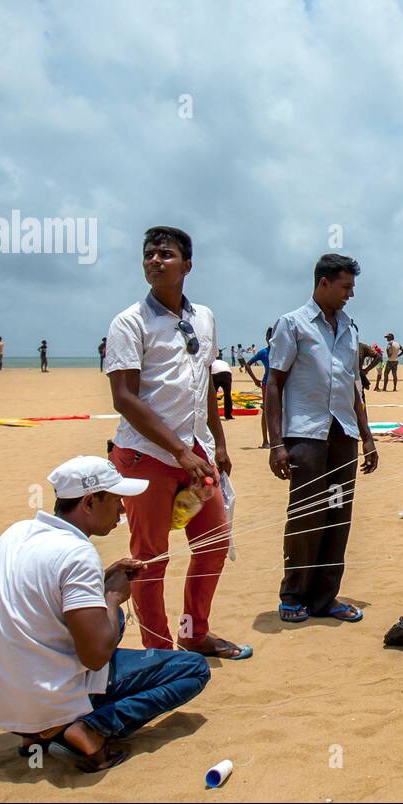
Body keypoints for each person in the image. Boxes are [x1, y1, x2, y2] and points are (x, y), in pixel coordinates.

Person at [0, 455, 211, 772]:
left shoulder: (16, 533)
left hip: (4, 704)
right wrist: (113, 596)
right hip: (50, 700)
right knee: (194, 669)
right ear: (89, 503)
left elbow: (44, 594)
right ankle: (89, 728)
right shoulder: (77, 553)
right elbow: (95, 657)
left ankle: (36, 733)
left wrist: (103, 578)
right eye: (115, 500)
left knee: (103, 619)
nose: (122, 510)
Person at [106, 225, 250, 660]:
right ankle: (158, 651)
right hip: (145, 456)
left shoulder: (203, 317)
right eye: (149, 254)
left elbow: (204, 383)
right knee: (150, 559)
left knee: (213, 544)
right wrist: (179, 452)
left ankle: (193, 633)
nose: (154, 260)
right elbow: (124, 397)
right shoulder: (130, 322)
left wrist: (217, 445)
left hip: (196, 453)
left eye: (165, 254)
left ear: (186, 265)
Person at [265, 253, 378, 623]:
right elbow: (273, 384)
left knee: (337, 514)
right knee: (305, 516)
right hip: (306, 436)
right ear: (323, 283)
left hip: (343, 436)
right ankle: (293, 595)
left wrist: (367, 436)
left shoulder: (350, 329)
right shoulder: (293, 324)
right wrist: (277, 444)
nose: (350, 294)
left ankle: (325, 598)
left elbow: (354, 387)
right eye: (346, 287)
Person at [246, 326, 275, 448]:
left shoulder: (281, 351)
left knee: (280, 411)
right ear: (266, 338)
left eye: (272, 336)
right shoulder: (264, 352)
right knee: (266, 412)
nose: (270, 339)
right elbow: (248, 365)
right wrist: (255, 380)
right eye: (268, 337)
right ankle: (265, 441)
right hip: (267, 384)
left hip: (279, 384)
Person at [210, 355, 234, 420]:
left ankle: (213, 415)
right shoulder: (225, 362)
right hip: (227, 374)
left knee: (212, 396)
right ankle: (228, 415)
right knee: (227, 395)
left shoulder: (212, 362)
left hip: (215, 375)